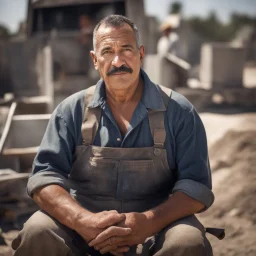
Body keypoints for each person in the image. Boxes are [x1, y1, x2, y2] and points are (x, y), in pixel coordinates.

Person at [12, 15, 214, 256]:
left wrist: (148, 222)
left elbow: (196, 186)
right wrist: (82, 221)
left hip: (156, 229)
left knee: (188, 241)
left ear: (140, 54)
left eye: (126, 49)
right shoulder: (71, 111)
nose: (118, 61)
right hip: (81, 231)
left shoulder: (179, 112)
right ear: (95, 60)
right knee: (37, 231)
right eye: (107, 51)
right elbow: (44, 176)